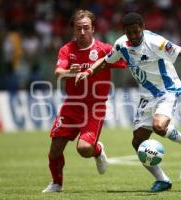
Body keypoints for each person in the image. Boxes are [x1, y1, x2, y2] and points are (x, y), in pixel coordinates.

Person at [75, 12, 181, 192]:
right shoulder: (120, 45)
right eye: (130, 33)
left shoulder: (155, 42)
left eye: (137, 31)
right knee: (137, 143)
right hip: (147, 96)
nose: (134, 36)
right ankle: (163, 180)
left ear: (142, 28)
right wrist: (88, 72)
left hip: (167, 90)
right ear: (125, 32)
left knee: (159, 126)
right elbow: (106, 60)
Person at [42, 9, 125, 193]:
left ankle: (97, 150)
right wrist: (72, 71)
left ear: (93, 28)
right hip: (72, 105)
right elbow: (58, 73)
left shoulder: (105, 50)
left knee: (84, 149)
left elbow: (127, 62)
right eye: (78, 28)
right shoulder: (67, 50)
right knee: (55, 148)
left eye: (86, 28)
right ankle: (56, 183)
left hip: (95, 107)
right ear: (73, 29)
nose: (82, 32)